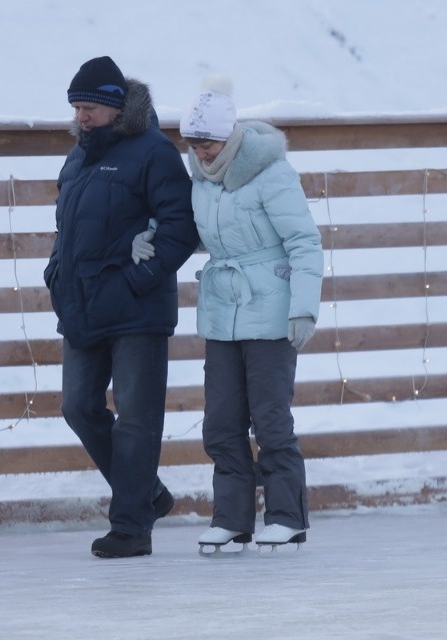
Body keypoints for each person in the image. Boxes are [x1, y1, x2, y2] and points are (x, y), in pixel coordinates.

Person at [140, 75, 323, 550]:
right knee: (221, 423)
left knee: (270, 419)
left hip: (273, 310)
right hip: (223, 313)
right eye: (194, 143)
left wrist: (304, 309)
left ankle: (286, 517)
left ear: (231, 137)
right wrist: (154, 234)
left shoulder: (272, 174)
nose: (200, 152)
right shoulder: (202, 180)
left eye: (209, 143)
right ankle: (233, 519)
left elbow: (303, 241)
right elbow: (207, 234)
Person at [44, 56, 199, 558]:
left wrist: (143, 276)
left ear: (114, 106)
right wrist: (55, 270)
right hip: (83, 305)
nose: (80, 116)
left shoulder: (154, 151)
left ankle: (131, 527)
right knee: (78, 406)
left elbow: (180, 226)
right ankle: (148, 493)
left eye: (89, 107)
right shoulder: (79, 156)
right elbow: (67, 226)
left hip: (136, 306)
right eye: (76, 107)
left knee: (136, 418)